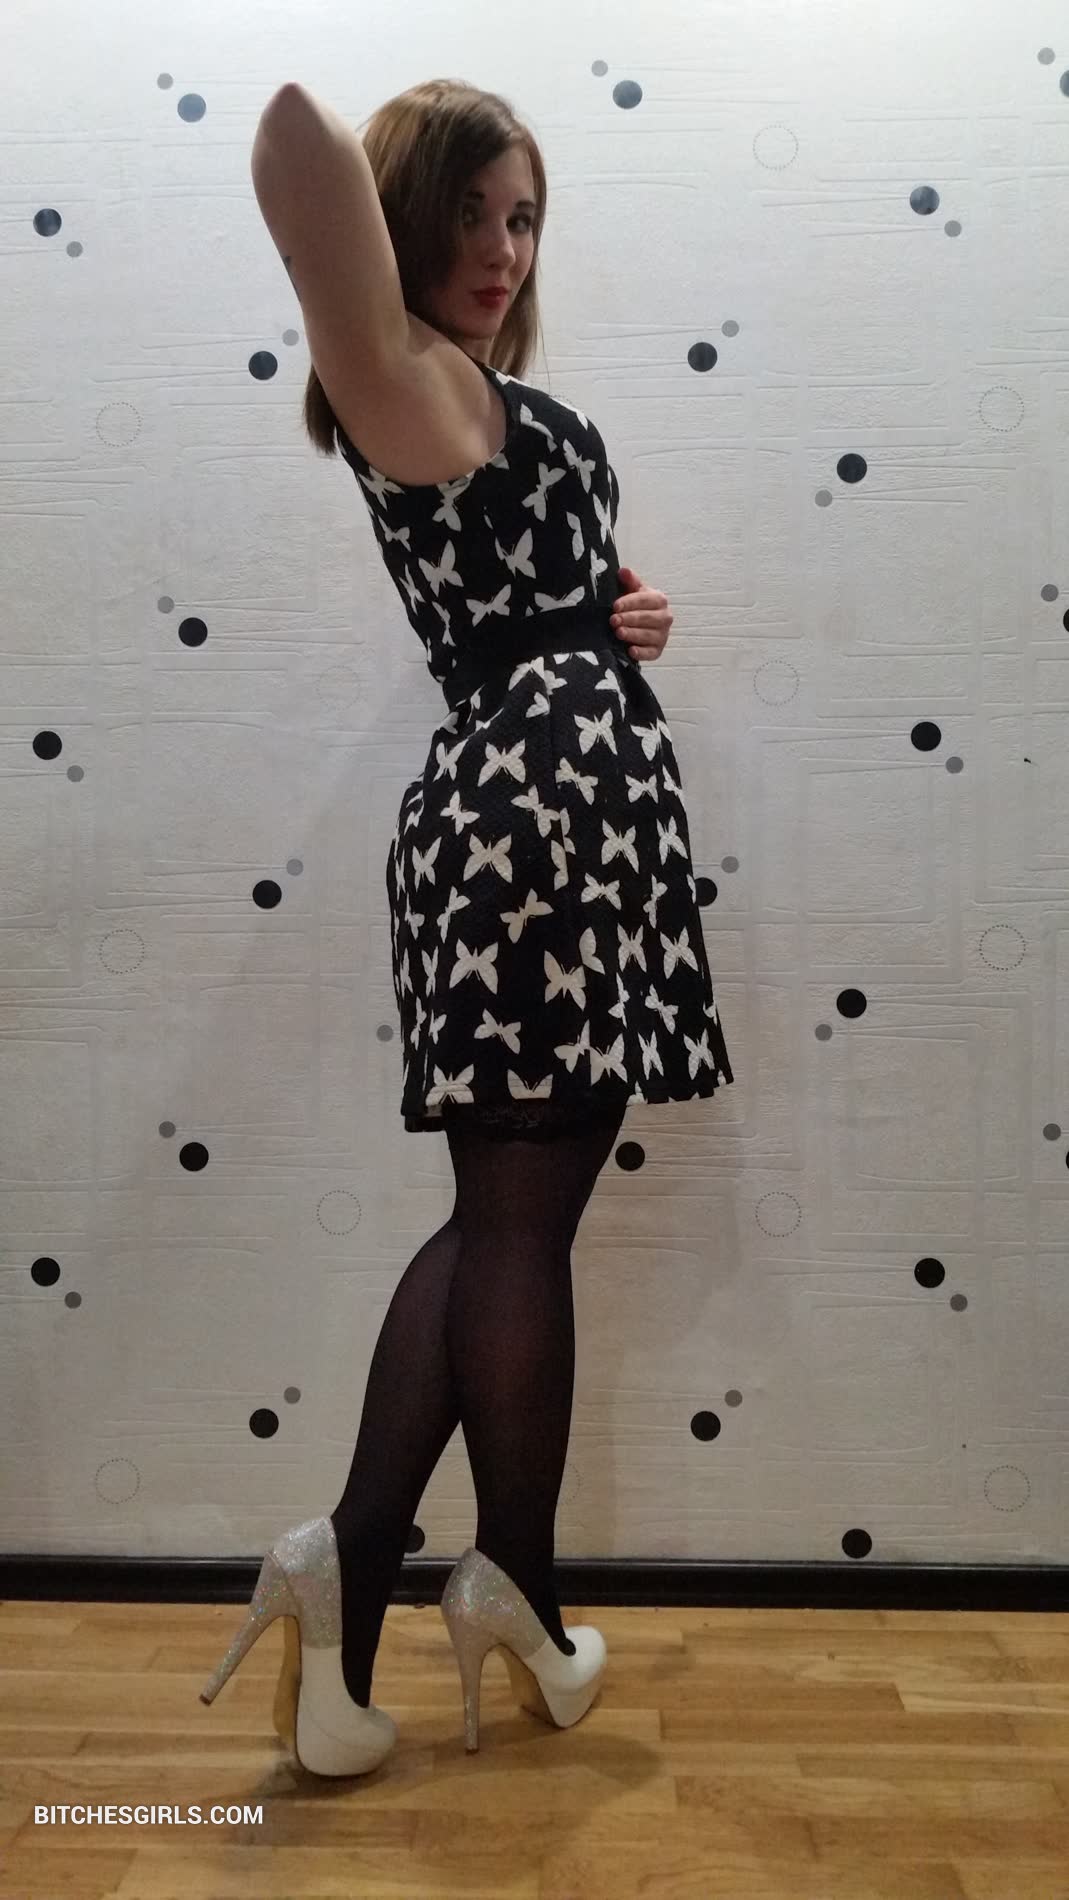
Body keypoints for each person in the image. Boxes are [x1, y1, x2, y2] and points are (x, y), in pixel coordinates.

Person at [200, 77, 734, 1775]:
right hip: (536, 825)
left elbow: (529, 586)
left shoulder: (489, 401)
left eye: (524, 219)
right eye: (469, 212)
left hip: (563, 816)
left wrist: (614, 611)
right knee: (514, 1222)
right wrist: (363, 159)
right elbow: (293, 152)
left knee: (508, 1214)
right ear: (404, 217)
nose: (503, 250)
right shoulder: (405, 380)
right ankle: (466, 1575)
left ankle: (402, 1574)